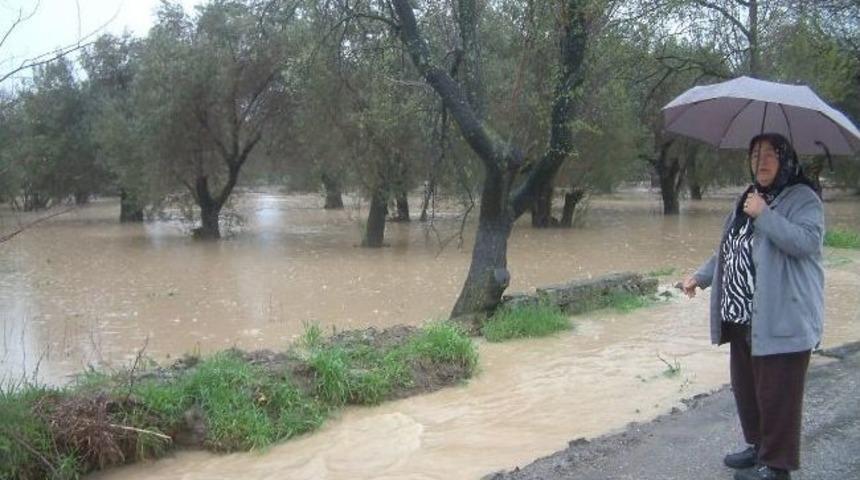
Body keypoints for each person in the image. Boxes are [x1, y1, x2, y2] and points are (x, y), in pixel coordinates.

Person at [681, 133, 824, 480]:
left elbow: (806, 242)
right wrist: (700, 277)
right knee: (748, 389)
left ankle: (777, 467)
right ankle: (758, 447)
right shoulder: (748, 196)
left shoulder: (804, 198)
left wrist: (765, 215)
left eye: (771, 155)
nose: (762, 161)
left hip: (783, 316)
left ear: (787, 159)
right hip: (744, 317)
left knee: (778, 394)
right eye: (756, 154)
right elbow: (730, 248)